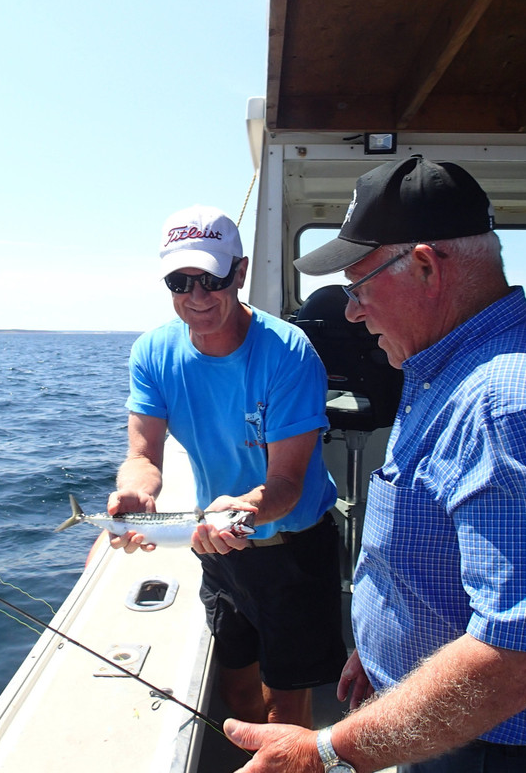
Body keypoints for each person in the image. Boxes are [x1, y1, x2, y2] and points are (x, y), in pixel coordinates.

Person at [224, 156, 526, 772]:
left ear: (426, 265)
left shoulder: (505, 405)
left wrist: (328, 754)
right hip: (465, 729)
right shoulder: (445, 371)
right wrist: (387, 655)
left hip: (508, 753)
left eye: (358, 285)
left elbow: (516, 661)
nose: (351, 311)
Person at [106, 204, 348, 727]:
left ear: (239, 272)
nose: (196, 298)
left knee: (286, 716)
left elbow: (284, 484)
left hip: (292, 553)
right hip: (218, 551)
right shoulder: (152, 352)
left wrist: (239, 511)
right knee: (238, 699)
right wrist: (134, 494)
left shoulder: (288, 352)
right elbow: (142, 458)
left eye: (211, 279)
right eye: (180, 281)